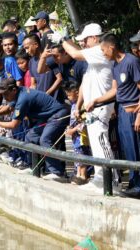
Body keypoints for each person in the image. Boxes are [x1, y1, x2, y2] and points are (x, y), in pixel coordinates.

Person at [50, 23, 117, 193]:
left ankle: (112, 181)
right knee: (95, 143)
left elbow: (74, 53)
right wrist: (78, 106)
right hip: (90, 107)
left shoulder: (99, 51)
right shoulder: (92, 57)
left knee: (102, 142)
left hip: (101, 106)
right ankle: (101, 177)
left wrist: (63, 39)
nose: (84, 43)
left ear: (94, 38)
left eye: (86, 40)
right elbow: (84, 82)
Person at [85, 33, 140, 197]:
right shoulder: (115, 66)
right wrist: (96, 100)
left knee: (136, 149)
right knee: (128, 151)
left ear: (112, 47)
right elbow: (115, 90)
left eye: (103, 50)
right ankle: (133, 182)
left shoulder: (131, 61)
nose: (102, 53)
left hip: (133, 112)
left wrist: (139, 115)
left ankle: (138, 185)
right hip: (122, 111)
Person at [0, 78, 70, 179]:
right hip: (46, 117)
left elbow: (13, 125)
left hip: (58, 115)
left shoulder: (23, 99)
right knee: (31, 136)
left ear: (13, 90)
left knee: (45, 140)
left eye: (5, 93)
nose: (4, 97)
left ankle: (58, 173)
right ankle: (33, 166)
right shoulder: (19, 92)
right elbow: (10, 108)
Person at [63, 81, 92, 185]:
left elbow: (83, 123)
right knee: (77, 154)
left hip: (81, 136)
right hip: (74, 136)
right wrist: (69, 127)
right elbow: (72, 120)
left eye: (69, 95)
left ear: (77, 93)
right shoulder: (73, 105)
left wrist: (73, 130)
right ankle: (78, 174)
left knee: (82, 154)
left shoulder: (82, 105)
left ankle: (83, 176)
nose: (68, 97)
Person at [23, 34, 64, 103]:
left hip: (55, 100)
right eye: (25, 49)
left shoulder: (50, 58)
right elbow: (33, 84)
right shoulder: (31, 62)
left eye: (27, 48)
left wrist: (47, 94)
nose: (26, 51)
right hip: (41, 101)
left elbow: (59, 79)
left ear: (36, 45)